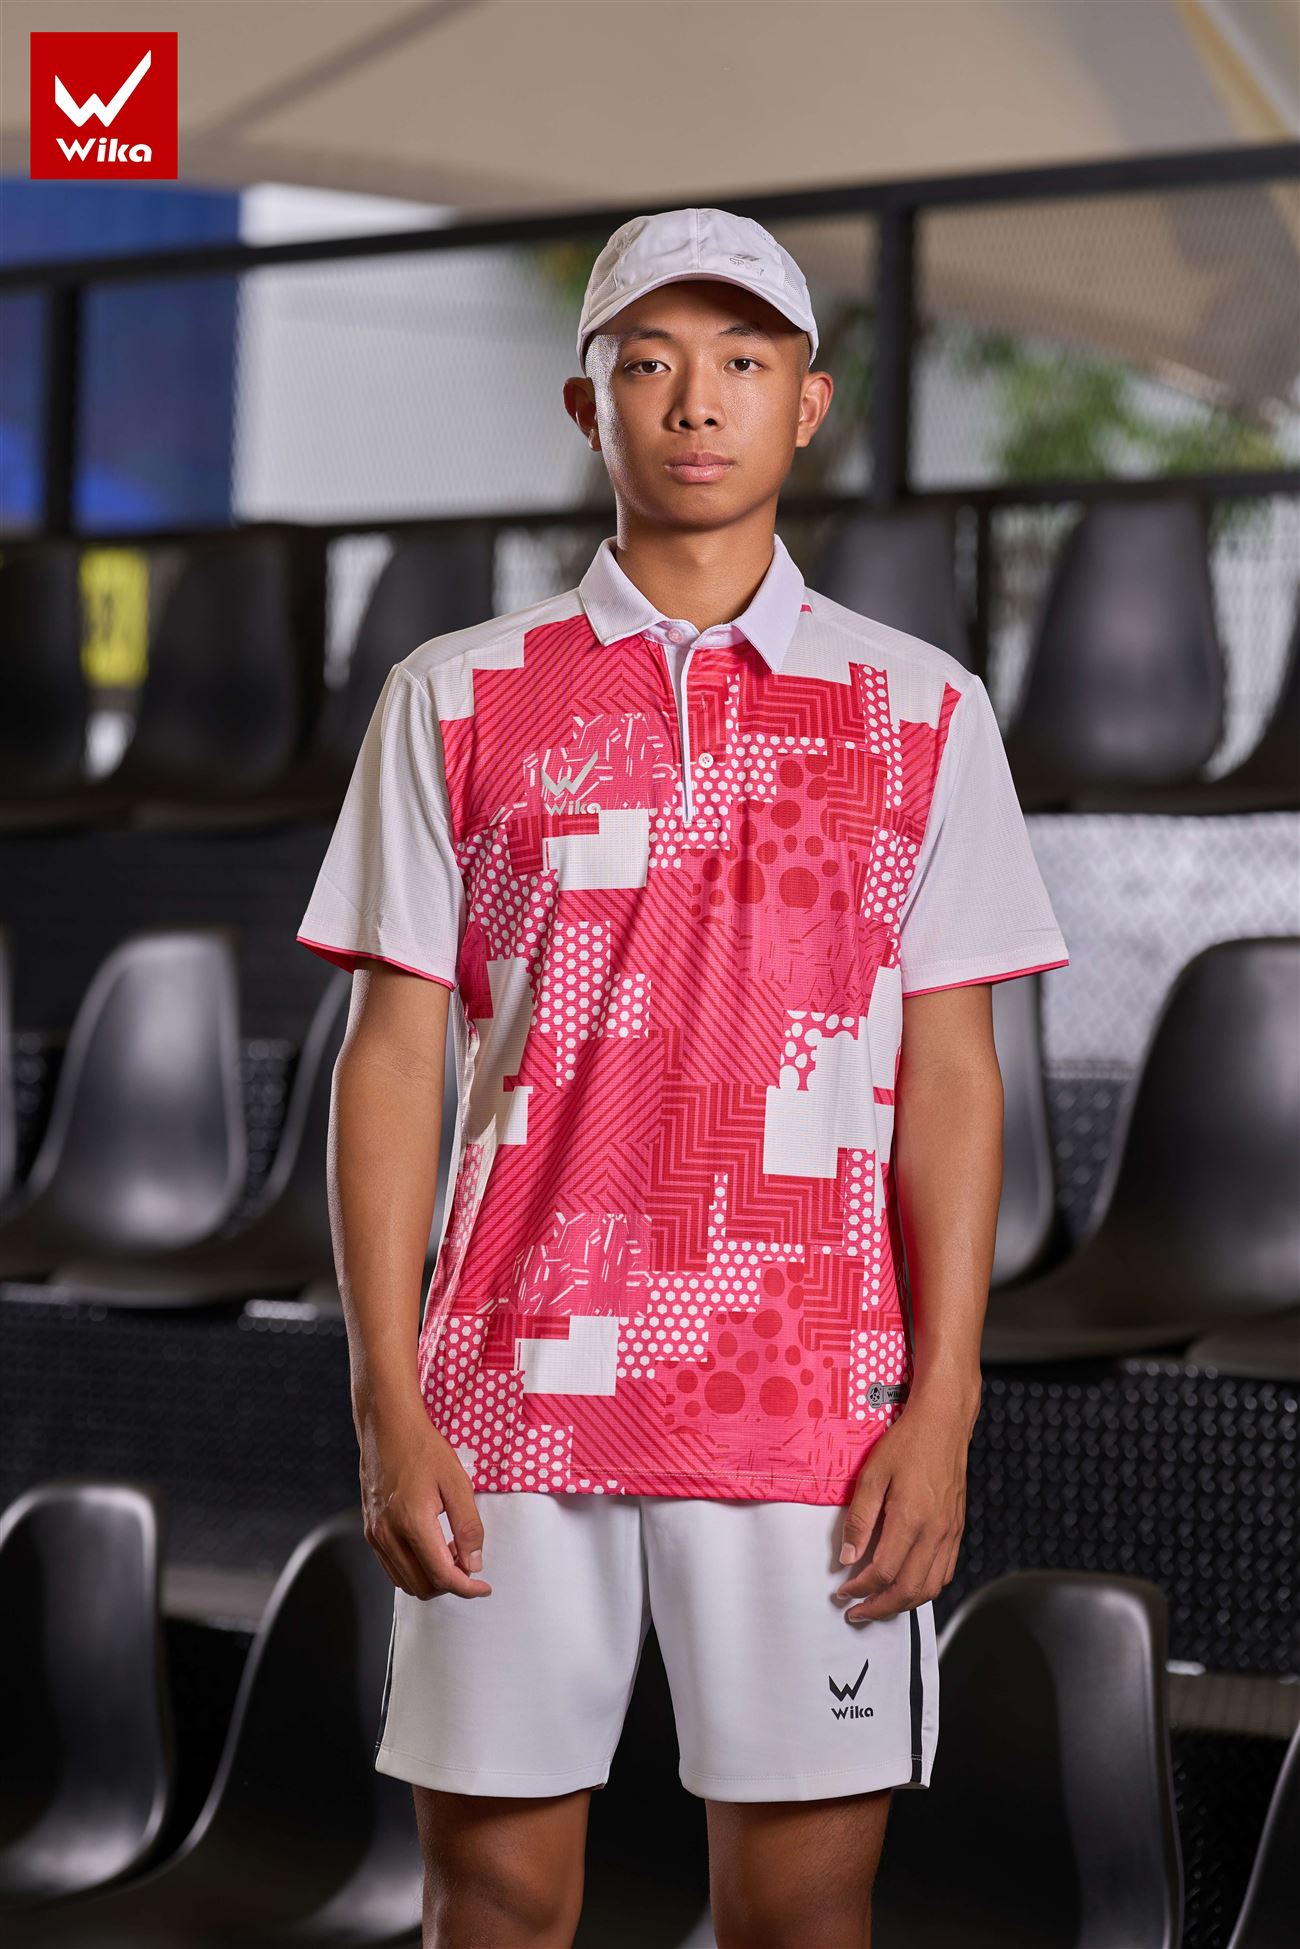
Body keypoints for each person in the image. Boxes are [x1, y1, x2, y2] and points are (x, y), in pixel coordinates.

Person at [296, 206, 1070, 1948]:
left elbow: (956, 1080)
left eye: (741, 360)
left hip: (809, 1406)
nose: (696, 401)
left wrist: (942, 1403)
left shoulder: (925, 709)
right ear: (590, 406)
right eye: (648, 363)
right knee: (494, 1897)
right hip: (505, 1394)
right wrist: (384, 1395)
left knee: (802, 1910)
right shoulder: (454, 695)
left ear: (808, 402)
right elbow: (393, 1055)